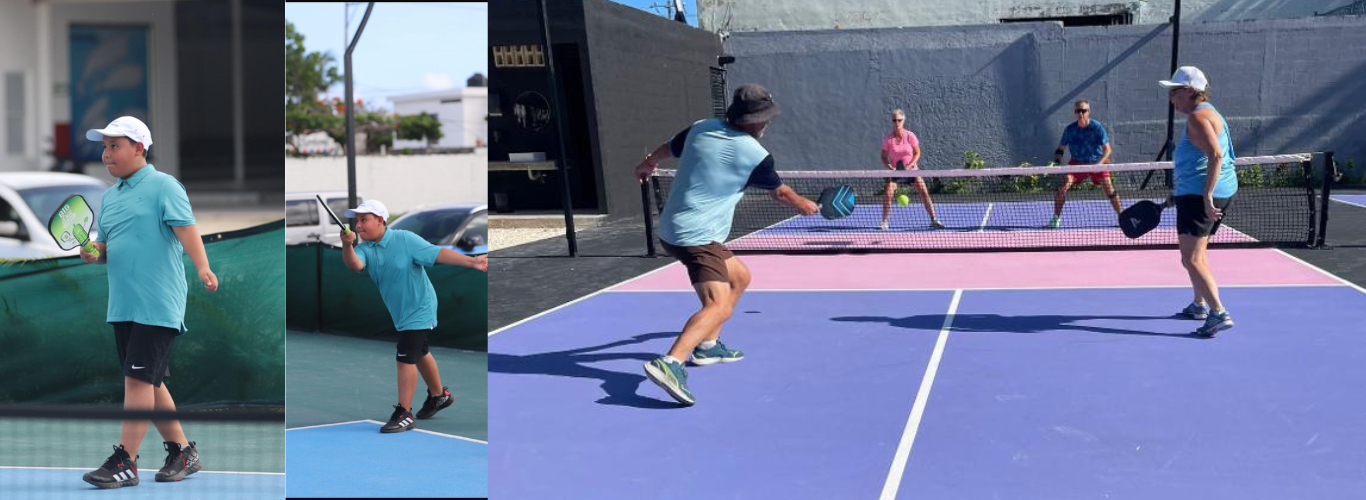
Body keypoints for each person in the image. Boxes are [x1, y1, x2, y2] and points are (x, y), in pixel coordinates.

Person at [633, 84, 818, 406]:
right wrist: (805, 204)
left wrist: (648, 162)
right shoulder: (754, 155)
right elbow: (780, 192)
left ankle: (708, 346)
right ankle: (671, 362)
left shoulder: (701, 128)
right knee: (717, 304)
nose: (767, 123)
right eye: (764, 118)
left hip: (678, 228)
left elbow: (669, 147)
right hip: (695, 236)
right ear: (752, 120)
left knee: (740, 277)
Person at [80, 116, 216, 488]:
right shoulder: (109, 198)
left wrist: (203, 267)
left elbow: (186, 229)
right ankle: (183, 452)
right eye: (104, 147)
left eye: (115, 146)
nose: (106, 154)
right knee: (149, 383)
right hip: (122, 304)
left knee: (137, 379)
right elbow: (108, 245)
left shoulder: (164, 186)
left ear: (139, 148)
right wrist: (95, 252)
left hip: (158, 302)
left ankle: (126, 461)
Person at [339, 199, 489, 432]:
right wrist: (347, 246)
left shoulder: (405, 239)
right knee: (420, 351)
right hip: (400, 311)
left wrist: (472, 261)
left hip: (421, 307)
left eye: (364, 220)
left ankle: (404, 413)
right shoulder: (364, 248)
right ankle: (439, 396)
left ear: (380, 220)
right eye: (357, 221)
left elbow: (437, 253)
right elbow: (355, 265)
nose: (358, 226)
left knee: (405, 356)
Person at [1159, 66, 1237, 337]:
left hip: (1201, 195)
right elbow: (1203, 158)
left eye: (1174, 91)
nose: (1171, 98)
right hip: (1207, 191)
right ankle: (1199, 304)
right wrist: (1180, 193)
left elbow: (1215, 155)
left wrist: (1204, 196)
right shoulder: (1211, 112)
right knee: (1198, 254)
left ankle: (1218, 312)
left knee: (1190, 258)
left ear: (1191, 91)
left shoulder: (1197, 118)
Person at [1050, 100, 1120, 228]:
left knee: (1109, 188)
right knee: (1063, 186)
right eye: (1078, 111)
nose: (1081, 113)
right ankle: (1055, 218)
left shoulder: (1097, 127)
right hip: (1077, 164)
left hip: (1097, 162)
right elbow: (1060, 149)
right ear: (1075, 113)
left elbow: (1108, 149)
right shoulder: (1070, 130)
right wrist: (1056, 161)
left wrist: (1098, 164)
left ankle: (1121, 216)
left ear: (1089, 112)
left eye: (1084, 111)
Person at [880, 109, 943, 230]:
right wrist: (890, 168)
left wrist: (910, 165)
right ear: (892, 122)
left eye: (899, 120)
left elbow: (917, 153)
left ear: (903, 120)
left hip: (912, 170)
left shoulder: (910, 136)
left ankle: (934, 219)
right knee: (888, 193)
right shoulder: (889, 139)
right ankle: (884, 221)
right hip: (896, 172)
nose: (897, 123)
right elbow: (883, 157)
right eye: (894, 120)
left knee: (924, 192)